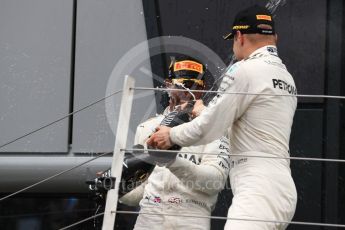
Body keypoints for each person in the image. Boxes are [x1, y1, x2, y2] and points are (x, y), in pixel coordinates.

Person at [147, 5, 298, 230]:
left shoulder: (242, 70)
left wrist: (171, 136)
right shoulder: (286, 78)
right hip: (282, 187)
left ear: (239, 36)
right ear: (275, 37)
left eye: (233, 39)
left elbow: (210, 128)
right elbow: (247, 125)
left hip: (257, 188)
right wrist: (205, 112)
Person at [120, 56, 231, 230]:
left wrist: (171, 161)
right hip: (149, 217)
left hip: (191, 218)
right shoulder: (147, 127)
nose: (187, 93)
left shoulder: (215, 129)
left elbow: (215, 182)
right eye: (180, 86)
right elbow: (140, 193)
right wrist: (115, 188)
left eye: (195, 87)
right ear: (167, 85)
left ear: (204, 89)